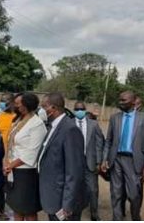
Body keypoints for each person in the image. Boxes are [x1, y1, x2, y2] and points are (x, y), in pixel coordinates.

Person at [101, 91, 144, 221]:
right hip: (116, 160)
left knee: (134, 195)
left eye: (123, 100)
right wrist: (104, 159)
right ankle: (117, 218)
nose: (120, 103)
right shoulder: (115, 118)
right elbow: (108, 141)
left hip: (134, 161)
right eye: (119, 100)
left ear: (132, 101)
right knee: (116, 193)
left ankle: (135, 217)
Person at [37, 93, 86, 221]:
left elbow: (74, 171)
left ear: (53, 108)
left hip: (63, 201)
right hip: (53, 197)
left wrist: (67, 204)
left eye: (44, 106)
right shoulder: (53, 126)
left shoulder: (70, 130)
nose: (41, 110)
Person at [4, 92, 47, 221]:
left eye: (18, 104)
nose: (15, 106)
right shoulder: (18, 120)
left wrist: (10, 165)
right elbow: (11, 143)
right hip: (13, 170)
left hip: (27, 174)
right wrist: (6, 161)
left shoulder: (37, 124)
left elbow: (31, 153)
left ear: (27, 105)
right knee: (16, 208)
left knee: (28, 210)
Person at [74, 101, 104, 221]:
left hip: (90, 163)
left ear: (85, 110)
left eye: (81, 109)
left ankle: (94, 214)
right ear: (74, 111)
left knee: (93, 190)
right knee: (74, 189)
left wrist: (98, 161)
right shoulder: (69, 124)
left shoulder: (93, 124)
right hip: (74, 163)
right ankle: (75, 214)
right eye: (77, 109)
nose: (79, 111)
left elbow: (99, 142)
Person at [0, 93, 17, 219]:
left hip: (17, 157)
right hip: (3, 157)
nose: (2, 103)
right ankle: (7, 212)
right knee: (5, 186)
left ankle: (16, 212)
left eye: (4, 101)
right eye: (0, 101)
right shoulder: (1, 117)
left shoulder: (19, 116)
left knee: (16, 186)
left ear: (12, 102)